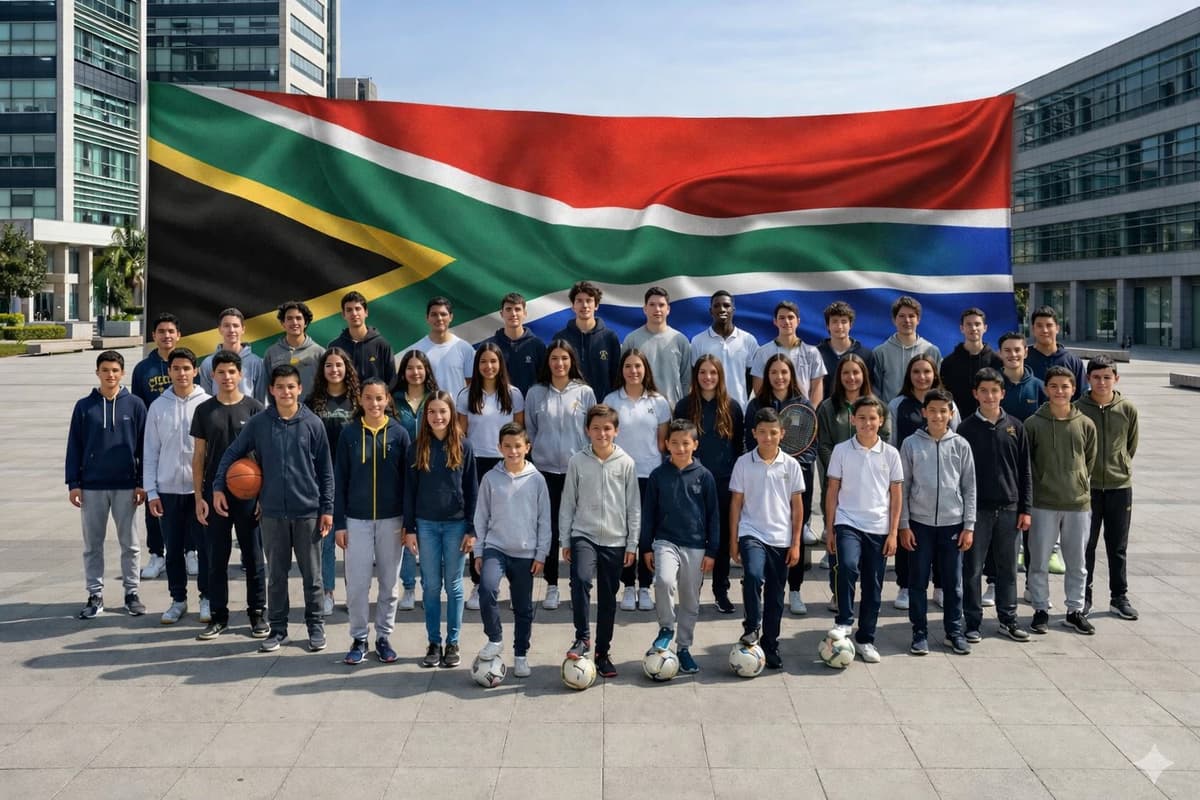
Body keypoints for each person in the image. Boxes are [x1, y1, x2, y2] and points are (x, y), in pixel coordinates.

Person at [213, 364, 334, 653]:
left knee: (312, 576)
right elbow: (232, 452)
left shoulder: (313, 423)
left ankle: (315, 625)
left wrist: (327, 508)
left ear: (299, 389)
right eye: (280, 387)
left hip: (307, 512)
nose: (286, 391)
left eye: (291, 386)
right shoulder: (260, 423)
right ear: (271, 390)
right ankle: (278, 629)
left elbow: (326, 471)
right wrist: (219, 485)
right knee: (277, 576)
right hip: (272, 514)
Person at [333, 379, 411, 665]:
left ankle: (383, 636)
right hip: (356, 520)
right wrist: (339, 522)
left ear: (387, 399)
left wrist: (408, 523)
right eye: (368, 398)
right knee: (357, 585)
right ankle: (358, 637)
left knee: (389, 585)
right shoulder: (349, 434)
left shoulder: (400, 434)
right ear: (360, 400)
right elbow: (339, 479)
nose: (374, 404)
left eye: (379, 398)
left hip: (392, 520)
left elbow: (408, 483)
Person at [191, 350, 267, 640]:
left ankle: (257, 613)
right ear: (213, 375)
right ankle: (219, 616)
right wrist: (200, 497)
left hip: (249, 493)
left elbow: (265, 456)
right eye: (220, 372)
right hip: (216, 494)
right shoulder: (204, 410)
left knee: (253, 557)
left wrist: (262, 496)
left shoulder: (255, 408)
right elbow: (198, 457)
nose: (226, 377)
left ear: (241, 374)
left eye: (231, 372)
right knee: (216, 558)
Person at [561, 404, 640, 679]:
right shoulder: (577, 461)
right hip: (584, 534)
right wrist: (566, 538)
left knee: (608, 598)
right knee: (581, 580)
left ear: (616, 431)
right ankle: (582, 638)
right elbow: (568, 503)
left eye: (607, 428)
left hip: (616, 539)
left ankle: (602, 652)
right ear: (587, 430)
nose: (601, 433)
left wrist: (632, 544)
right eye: (596, 428)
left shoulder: (627, 463)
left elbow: (634, 508)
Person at [66, 350, 147, 619]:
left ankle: (131, 592)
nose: (110, 375)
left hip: (126, 486)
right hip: (92, 486)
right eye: (105, 370)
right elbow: (74, 446)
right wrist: (73, 483)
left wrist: (141, 482)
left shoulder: (135, 404)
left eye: (115, 370)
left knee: (131, 544)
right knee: (93, 545)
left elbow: (144, 447)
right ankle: (95, 593)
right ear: (97, 372)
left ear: (122, 373)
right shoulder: (84, 406)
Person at [898, 388, 976, 656]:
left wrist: (969, 525)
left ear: (951, 414)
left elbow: (969, 488)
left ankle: (954, 631)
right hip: (919, 525)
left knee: (953, 582)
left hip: (952, 524)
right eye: (932, 410)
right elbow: (904, 487)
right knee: (918, 581)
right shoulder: (910, 444)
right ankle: (919, 632)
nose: (938, 415)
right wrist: (904, 525)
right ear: (924, 412)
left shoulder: (961, 445)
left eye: (943, 411)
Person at [825, 396, 903, 663]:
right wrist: (830, 526)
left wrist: (893, 532)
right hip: (848, 522)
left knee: (873, 585)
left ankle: (865, 638)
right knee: (846, 565)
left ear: (881, 421)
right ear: (852, 419)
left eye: (873, 418)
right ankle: (844, 620)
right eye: (862, 418)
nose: (867, 423)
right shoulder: (841, 450)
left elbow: (896, 495)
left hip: (879, 527)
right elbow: (832, 489)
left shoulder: (891, 454)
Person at [403, 391, 478, 668]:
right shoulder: (416, 448)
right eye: (432, 412)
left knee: (455, 585)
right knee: (431, 585)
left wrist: (472, 528)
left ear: (451, 413)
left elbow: (472, 490)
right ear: (425, 416)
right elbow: (409, 492)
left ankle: (453, 642)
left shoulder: (464, 446)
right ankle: (434, 642)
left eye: (442, 411)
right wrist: (409, 528)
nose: (437, 417)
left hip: (457, 525)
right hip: (426, 524)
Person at [957, 368, 1032, 643]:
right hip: (978, 511)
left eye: (995, 391)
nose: (990, 396)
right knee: (973, 568)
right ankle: (972, 621)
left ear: (1003, 393)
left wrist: (1026, 508)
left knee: (1008, 568)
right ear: (975, 394)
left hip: (1010, 509)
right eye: (984, 391)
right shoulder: (965, 428)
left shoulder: (1015, 426)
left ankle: (1008, 619)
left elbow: (1025, 471)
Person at [473, 423, 552, 679]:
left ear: (527, 448)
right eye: (507, 446)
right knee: (486, 590)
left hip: (525, 553)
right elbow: (481, 517)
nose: (513, 451)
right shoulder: (490, 478)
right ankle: (495, 638)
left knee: (523, 607)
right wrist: (478, 551)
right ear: (499, 448)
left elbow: (544, 520)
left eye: (518, 446)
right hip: (495, 547)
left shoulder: (537, 480)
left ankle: (521, 655)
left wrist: (541, 553)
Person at [1024, 366, 1098, 636]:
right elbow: (1028, 463)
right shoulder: (1033, 424)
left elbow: (1088, 460)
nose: (1059, 391)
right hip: (1043, 502)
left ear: (1074, 389)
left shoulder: (1085, 424)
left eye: (1065, 386)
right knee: (1039, 560)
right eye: (1054, 386)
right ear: (1046, 389)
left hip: (1077, 503)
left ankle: (1074, 610)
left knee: (1077, 561)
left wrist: (1077, 482)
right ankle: (1040, 608)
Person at [524, 340, 596, 611]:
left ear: (571, 361)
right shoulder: (535, 393)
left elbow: (592, 430)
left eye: (564, 358)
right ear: (548, 362)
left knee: (577, 529)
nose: (559, 363)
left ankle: (578, 585)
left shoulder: (585, 392)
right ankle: (552, 585)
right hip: (544, 472)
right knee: (551, 529)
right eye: (554, 358)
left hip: (577, 471)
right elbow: (530, 431)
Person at [730, 407, 805, 669]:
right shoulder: (743, 463)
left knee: (775, 596)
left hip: (781, 538)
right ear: (754, 434)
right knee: (752, 574)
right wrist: (733, 540)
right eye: (762, 432)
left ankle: (770, 645)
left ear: (782, 433)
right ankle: (751, 626)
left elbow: (797, 507)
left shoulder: (792, 465)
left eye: (773, 432)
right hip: (752, 532)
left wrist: (796, 543)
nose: (768, 437)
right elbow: (736, 503)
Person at [643, 419, 719, 674]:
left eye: (685, 443)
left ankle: (684, 648)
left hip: (696, 545)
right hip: (666, 541)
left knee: (690, 600)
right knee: (663, 581)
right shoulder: (658, 475)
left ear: (695, 445)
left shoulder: (704, 476)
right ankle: (666, 626)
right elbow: (649, 514)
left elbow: (713, 516)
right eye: (674, 443)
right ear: (666, 445)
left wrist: (712, 551)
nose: (680, 448)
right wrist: (646, 547)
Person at [887, 353, 961, 612]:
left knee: (941, 541)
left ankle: (940, 587)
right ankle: (905, 586)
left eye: (927, 372)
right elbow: (891, 443)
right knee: (908, 536)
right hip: (909, 479)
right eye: (916, 372)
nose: (922, 377)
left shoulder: (948, 404)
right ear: (909, 375)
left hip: (943, 485)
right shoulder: (897, 405)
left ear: (935, 375)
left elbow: (956, 440)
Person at [744, 353, 816, 615]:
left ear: (791, 375)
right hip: (761, 478)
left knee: (794, 533)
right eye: (773, 372)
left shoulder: (803, 404)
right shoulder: (756, 406)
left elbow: (810, 446)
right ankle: (757, 587)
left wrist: (791, 462)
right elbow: (749, 441)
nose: (779, 377)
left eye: (784, 372)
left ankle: (794, 590)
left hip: (794, 476)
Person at [816, 354, 890, 607]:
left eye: (856, 372)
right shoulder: (827, 407)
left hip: (871, 488)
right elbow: (823, 444)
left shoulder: (877, 405)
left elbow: (886, 439)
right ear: (839, 377)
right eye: (846, 373)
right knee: (838, 547)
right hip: (837, 484)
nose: (851, 377)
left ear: (864, 376)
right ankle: (839, 594)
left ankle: (868, 598)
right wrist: (840, 469)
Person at [144, 347, 211, 625]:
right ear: (168, 372)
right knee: (173, 549)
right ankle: (178, 599)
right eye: (176, 368)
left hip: (200, 492)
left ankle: (207, 597)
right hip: (169, 490)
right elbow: (150, 451)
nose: (181, 373)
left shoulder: (208, 403)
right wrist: (151, 490)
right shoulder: (158, 406)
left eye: (186, 368)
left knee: (205, 548)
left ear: (195, 371)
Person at [457, 342, 525, 609]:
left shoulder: (514, 394)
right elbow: (462, 433)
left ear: (500, 365)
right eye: (483, 362)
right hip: (478, 464)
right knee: (480, 522)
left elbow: (519, 432)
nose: (488, 366)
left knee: (509, 520)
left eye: (493, 362)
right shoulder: (466, 395)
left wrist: (516, 459)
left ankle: (512, 582)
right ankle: (478, 582)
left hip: (507, 462)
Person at [674, 355, 744, 613]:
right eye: (703, 372)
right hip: (693, 484)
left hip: (724, 483)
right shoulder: (684, 406)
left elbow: (738, 448)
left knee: (722, 539)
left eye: (713, 372)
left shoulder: (732, 407)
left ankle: (721, 591)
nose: (708, 377)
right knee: (694, 540)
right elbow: (678, 447)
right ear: (696, 376)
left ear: (720, 376)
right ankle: (692, 591)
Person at [603, 348, 670, 611]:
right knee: (623, 532)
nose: (633, 371)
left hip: (649, 475)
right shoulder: (611, 400)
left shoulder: (659, 402)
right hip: (618, 475)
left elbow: (662, 443)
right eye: (628, 366)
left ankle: (645, 586)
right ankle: (628, 586)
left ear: (645, 370)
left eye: (638, 366)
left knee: (646, 533)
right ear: (622, 370)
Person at [1077, 355, 1139, 620]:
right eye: (1096, 377)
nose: (1102, 382)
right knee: (1086, 545)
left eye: (1107, 377)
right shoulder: (1077, 408)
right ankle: (1084, 597)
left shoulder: (1127, 409)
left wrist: (1120, 466)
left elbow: (1131, 445)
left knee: (1117, 545)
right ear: (1088, 379)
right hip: (1086, 489)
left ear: (1116, 378)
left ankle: (1119, 596)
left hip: (1119, 486)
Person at [306, 348, 361, 616]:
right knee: (325, 539)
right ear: (323, 370)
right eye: (329, 365)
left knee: (351, 540)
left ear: (347, 369)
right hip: (322, 478)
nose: (334, 370)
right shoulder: (312, 401)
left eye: (339, 365)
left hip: (353, 478)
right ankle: (327, 592)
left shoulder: (358, 401)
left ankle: (354, 591)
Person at [131, 312, 180, 579]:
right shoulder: (143, 369)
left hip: (183, 442)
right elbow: (138, 408)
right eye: (161, 331)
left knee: (188, 498)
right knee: (154, 497)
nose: (166, 336)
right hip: (154, 442)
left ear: (178, 335)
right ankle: (156, 554)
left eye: (171, 331)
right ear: (154, 336)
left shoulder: (187, 363)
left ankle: (189, 551)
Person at [390, 349, 438, 610]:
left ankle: (430, 585)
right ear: (403, 372)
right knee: (407, 528)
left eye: (420, 368)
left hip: (433, 472)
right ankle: (408, 587)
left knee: (430, 531)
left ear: (427, 370)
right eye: (410, 368)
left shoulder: (436, 399)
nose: (415, 372)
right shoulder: (394, 401)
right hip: (401, 471)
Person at [622, 286, 692, 406]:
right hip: (639, 409)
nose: (657, 309)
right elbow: (623, 376)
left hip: (673, 411)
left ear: (668, 309)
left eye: (661, 305)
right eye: (652, 304)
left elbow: (686, 380)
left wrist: (681, 406)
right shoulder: (632, 340)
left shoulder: (680, 340)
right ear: (645, 309)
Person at [689, 290, 758, 409]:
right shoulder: (697, 341)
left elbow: (751, 378)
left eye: (726, 305)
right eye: (717, 306)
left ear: (733, 310)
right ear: (711, 311)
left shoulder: (748, 340)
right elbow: (694, 378)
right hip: (707, 409)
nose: (722, 309)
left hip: (739, 410)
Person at [751, 300, 826, 407]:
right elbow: (759, 388)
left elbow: (817, 387)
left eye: (790, 317)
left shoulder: (812, 352)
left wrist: (810, 413)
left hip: (801, 414)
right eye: (782, 318)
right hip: (772, 415)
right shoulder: (763, 352)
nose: (786, 321)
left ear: (798, 321)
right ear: (775, 322)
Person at [551, 280, 621, 394]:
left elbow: (617, 377)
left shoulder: (610, 338)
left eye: (589, 301)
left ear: (596, 305)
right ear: (573, 306)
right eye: (579, 301)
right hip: (570, 407)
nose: (584, 305)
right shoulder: (560, 338)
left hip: (602, 408)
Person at [872, 295, 942, 403]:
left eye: (911, 316)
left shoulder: (932, 351)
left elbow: (938, 387)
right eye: (902, 316)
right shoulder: (880, 352)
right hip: (891, 416)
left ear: (918, 319)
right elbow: (875, 390)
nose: (907, 320)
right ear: (894, 320)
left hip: (925, 414)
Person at [478, 292, 546, 396]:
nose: (513, 314)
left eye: (517, 309)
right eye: (508, 309)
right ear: (502, 314)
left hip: (529, 406)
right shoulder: (489, 346)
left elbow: (545, 380)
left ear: (525, 313)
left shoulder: (537, 345)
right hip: (498, 407)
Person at [939, 307, 1003, 417]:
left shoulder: (997, 362)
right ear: (962, 328)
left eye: (977, 324)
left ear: (985, 328)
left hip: (989, 422)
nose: (973, 328)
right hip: (957, 424)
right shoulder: (948, 363)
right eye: (969, 324)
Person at [197, 307, 267, 404]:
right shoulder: (208, 363)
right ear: (220, 329)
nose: (231, 330)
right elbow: (206, 401)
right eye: (226, 326)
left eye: (236, 325)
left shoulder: (256, 363)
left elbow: (261, 402)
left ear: (243, 329)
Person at [327, 290, 395, 384]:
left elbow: (391, 381)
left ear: (366, 312)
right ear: (343, 315)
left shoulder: (382, 345)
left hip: (374, 398)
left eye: (358, 308)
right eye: (349, 310)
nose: (354, 313)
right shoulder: (335, 347)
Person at [411, 296, 476, 392]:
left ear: (451, 317)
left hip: (457, 407)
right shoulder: (416, 350)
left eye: (443, 314)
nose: (439, 318)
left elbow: (472, 386)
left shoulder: (465, 348)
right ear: (427, 318)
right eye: (434, 314)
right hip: (427, 407)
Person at [263, 300, 325, 401]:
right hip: (280, 413)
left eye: (298, 318)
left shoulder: (319, 353)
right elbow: (266, 387)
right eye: (289, 318)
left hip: (312, 413)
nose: (294, 322)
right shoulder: (271, 353)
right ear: (283, 323)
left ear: (305, 323)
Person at [817, 301, 876, 401]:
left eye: (844, 322)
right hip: (824, 414)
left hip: (857, 412)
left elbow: (872, 388)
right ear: (828, 325)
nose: (839, 326)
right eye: (835, 321)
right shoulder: (815, 354)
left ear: (850, 325)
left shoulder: (866, 355)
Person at [1026, 305, 1086, 400]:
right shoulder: (1024, 358)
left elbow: (1082, 397)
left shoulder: (1072, 361)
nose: (1045, 330)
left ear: (1057, 328)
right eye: (1039, 326)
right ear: (1033, 329)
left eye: (1049, 325)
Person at [997, 332, 1047, 422]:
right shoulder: (992, 386)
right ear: (1000, 353)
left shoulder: (1040, 387)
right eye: (1007, 350)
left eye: (1017, 350)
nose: (1013, 354)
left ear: (1025, 353)